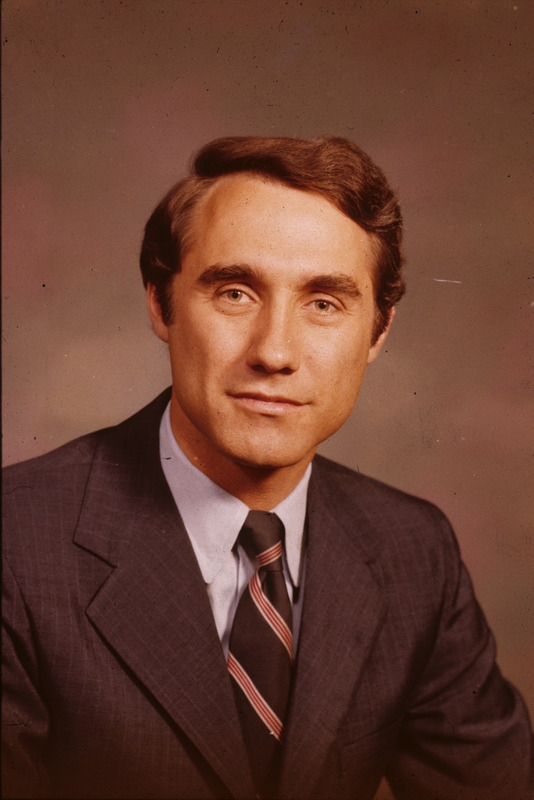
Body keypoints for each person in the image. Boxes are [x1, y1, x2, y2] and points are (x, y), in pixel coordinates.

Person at [2, 135, 532, 800]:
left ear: (379, 331)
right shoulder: (16, 545)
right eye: (234, 292)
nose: (275, 352)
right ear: (161, 305)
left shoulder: (412, 550)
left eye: (324, 303)